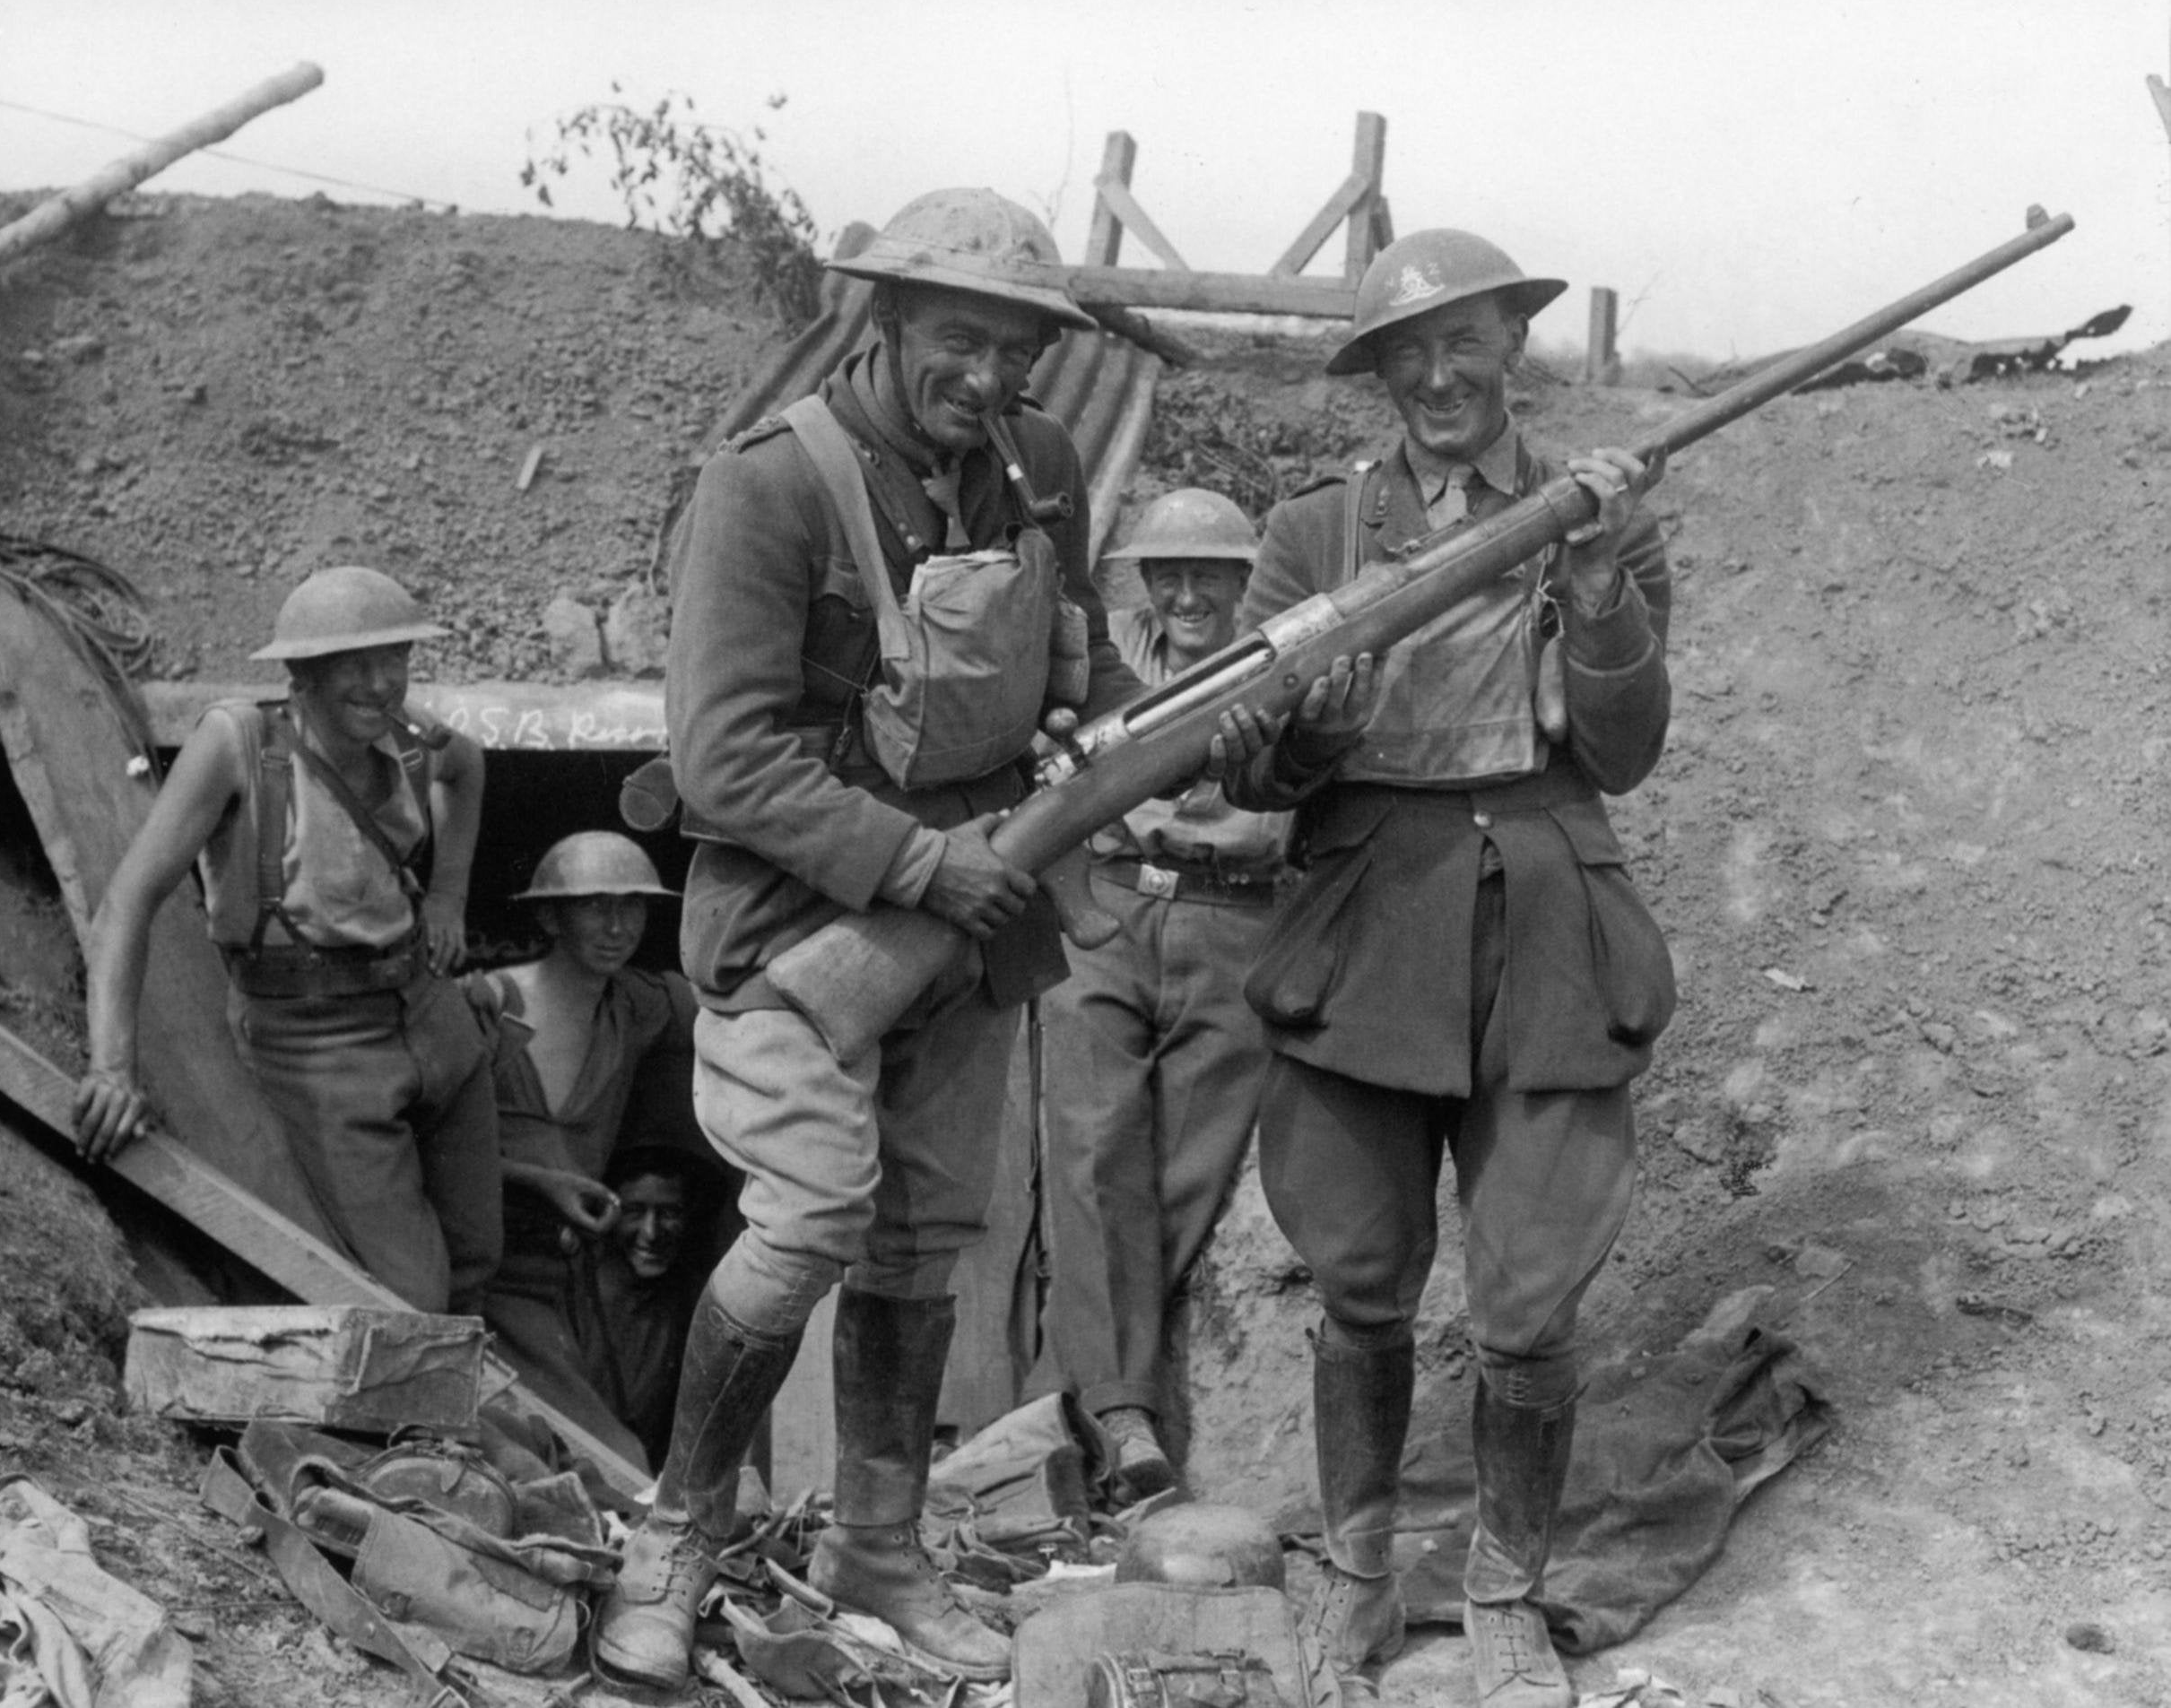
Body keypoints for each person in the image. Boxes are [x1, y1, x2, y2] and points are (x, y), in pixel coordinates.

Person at [589, 185, 1169, 1693]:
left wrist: (1144, 733)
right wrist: (921, 861)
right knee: (810, 1217)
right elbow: (722, 760)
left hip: (978, 917)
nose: (987, 382)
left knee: (922, 1238)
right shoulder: (768, 488)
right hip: (805, 924)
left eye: (1016, 355)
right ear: (887, 319)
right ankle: (675, 1526)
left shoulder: (1037, 468)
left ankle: (881, 1548)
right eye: (959, 343)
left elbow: (1085, 661)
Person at [1223, 230, 1676, 1708]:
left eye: (1463, 344)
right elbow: (1254, 770)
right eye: (1405, 354)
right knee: (1360, 1281)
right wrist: (1315, 729)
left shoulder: (1590, 513)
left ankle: (1503, 1597)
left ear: (1512, 349)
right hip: (1366, 929)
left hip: (1546, 922)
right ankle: (1358, 1576)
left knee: (1529, 1302)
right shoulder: (1313, 536)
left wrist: (1600, 590)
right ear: (1378, 378)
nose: (1437, 377)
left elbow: (1621, 751)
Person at [74, 566, 500, 1315]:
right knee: (410, 1299)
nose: (380, 684)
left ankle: (480, 1419)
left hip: (432, 1018)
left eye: (394, 660)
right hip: (318, 1046)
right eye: (355, 666)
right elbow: (127, 902)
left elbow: (466, 767)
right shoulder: (239, 744)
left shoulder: (405, 740)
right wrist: (111, 1066)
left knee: (478, 1254)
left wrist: (448, 898)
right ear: (301, 674)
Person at [1029, 489, 1290, 1504]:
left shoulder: (1281, 656)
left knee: (1189, 1169)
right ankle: (1121, 1414)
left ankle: (1096, 1395)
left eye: (1209, 573)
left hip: (1235, 920)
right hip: (1107, 905)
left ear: (1242, 579)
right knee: (1095, 1151)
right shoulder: (1098, 661)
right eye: (1166, 572)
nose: (1186, 592)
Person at [469, 830, 698, 1469]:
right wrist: (537, 1181)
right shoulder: (488, 1004)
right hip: (488, 1278)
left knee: (622, 1435)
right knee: (608, 1459)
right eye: (596, 905)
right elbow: (426, 1155)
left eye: (632, 905)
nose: (618, 924)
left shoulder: (636, 1006)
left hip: (571, 1280)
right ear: (550, 915)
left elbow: (733, 1009)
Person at [580, 1144, 727, 1469]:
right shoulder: (577, 1297)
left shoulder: (692, 1300)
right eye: (634, 1212)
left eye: (669, 1213)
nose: (651, 1232)